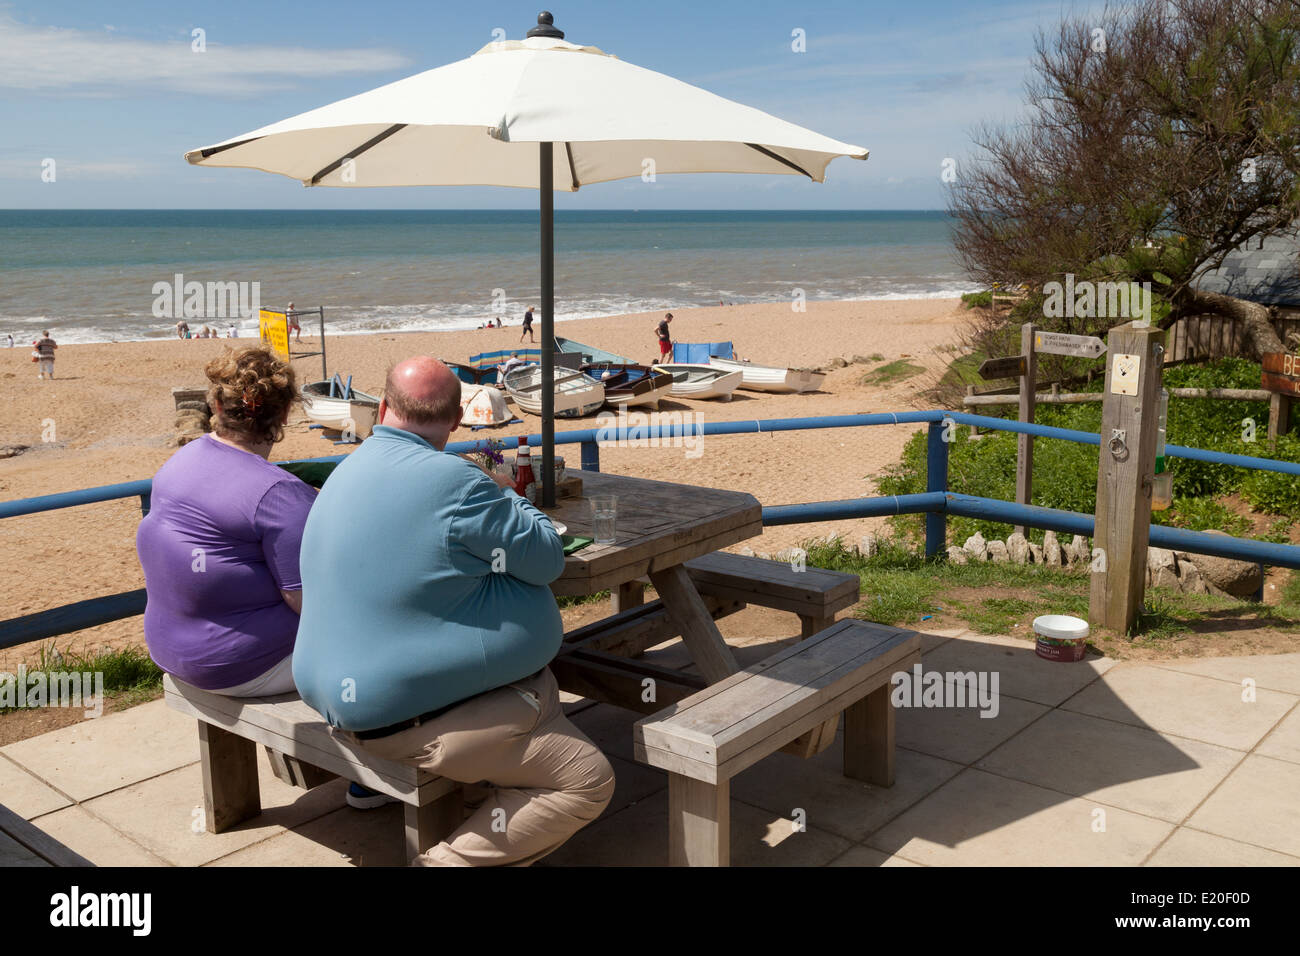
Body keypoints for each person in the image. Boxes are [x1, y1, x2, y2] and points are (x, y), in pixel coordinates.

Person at [293, 357, 614, 864]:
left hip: (334, 693)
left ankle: (486, 766)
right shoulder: (458, 482)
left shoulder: (345, 471)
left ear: (381, 410)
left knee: (534, 689)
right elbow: (548, 558)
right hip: (400, 719)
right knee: (585, 779)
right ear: (457, 421)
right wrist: (517, 501)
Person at [135, 346, 317, 697]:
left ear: (217, 407)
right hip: (238, 666)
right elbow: (308, 604)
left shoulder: (179, 461)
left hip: (167, 648)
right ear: (284, 414)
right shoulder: (281, 495)